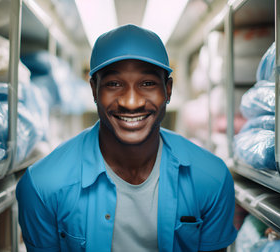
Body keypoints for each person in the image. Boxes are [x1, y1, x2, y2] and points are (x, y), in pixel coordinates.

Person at [16, 24, 237, 252]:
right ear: (94, 90)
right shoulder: (43, 185)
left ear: (168, 90)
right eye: (113, 84)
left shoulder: (211, 178)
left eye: (147, 83)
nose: (131, 102)